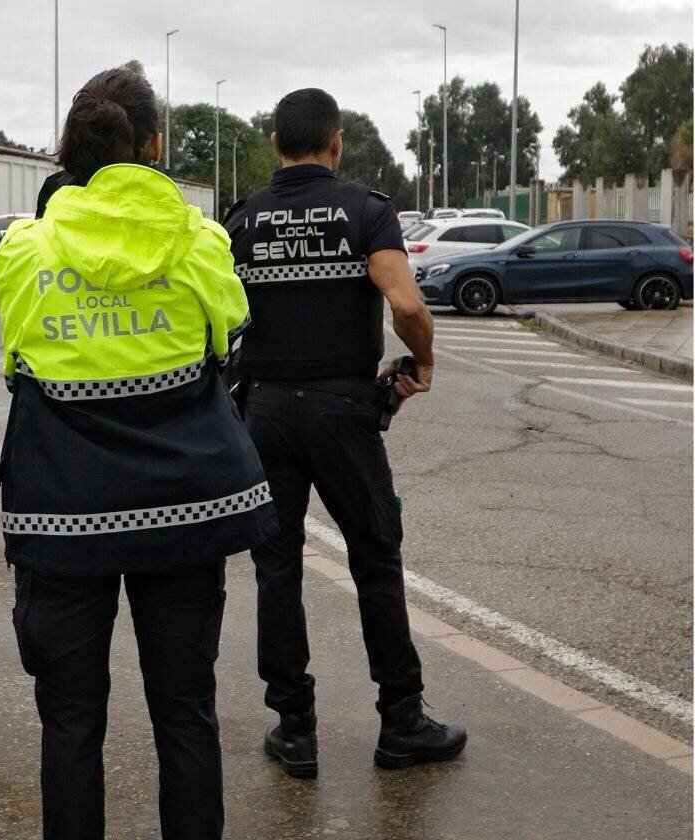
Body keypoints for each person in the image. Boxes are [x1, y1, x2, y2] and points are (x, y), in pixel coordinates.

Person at [0, 68, 277, 840]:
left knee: (71, 722)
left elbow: (17, 355)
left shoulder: (25, 249)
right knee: (186, 711)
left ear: (70, 151)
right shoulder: (199, 239)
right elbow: (227, 339)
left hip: (62, 514)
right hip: (186, 508)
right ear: (154, 145)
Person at [224, 88, 466, 776]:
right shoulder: (365, 211)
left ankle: (294, 729)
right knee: (375, 558)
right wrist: (422, 360)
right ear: (336, 143)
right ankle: (402, 720)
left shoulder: (242, 221)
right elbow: (405, 302)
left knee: (277, 567)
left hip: (265, 410)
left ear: (275, 144)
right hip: (343, 411)